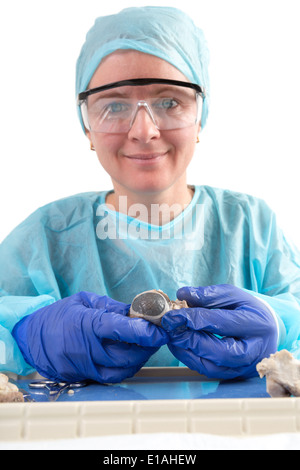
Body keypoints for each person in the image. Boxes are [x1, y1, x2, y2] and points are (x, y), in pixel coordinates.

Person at [1, 6, 300, 384]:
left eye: (169, 101)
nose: (144, 130)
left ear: (200, 115)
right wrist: (27, 336)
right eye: (114, 105)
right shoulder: (44, 237)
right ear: (87, 127)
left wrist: (280, 327)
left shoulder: (252, 226)